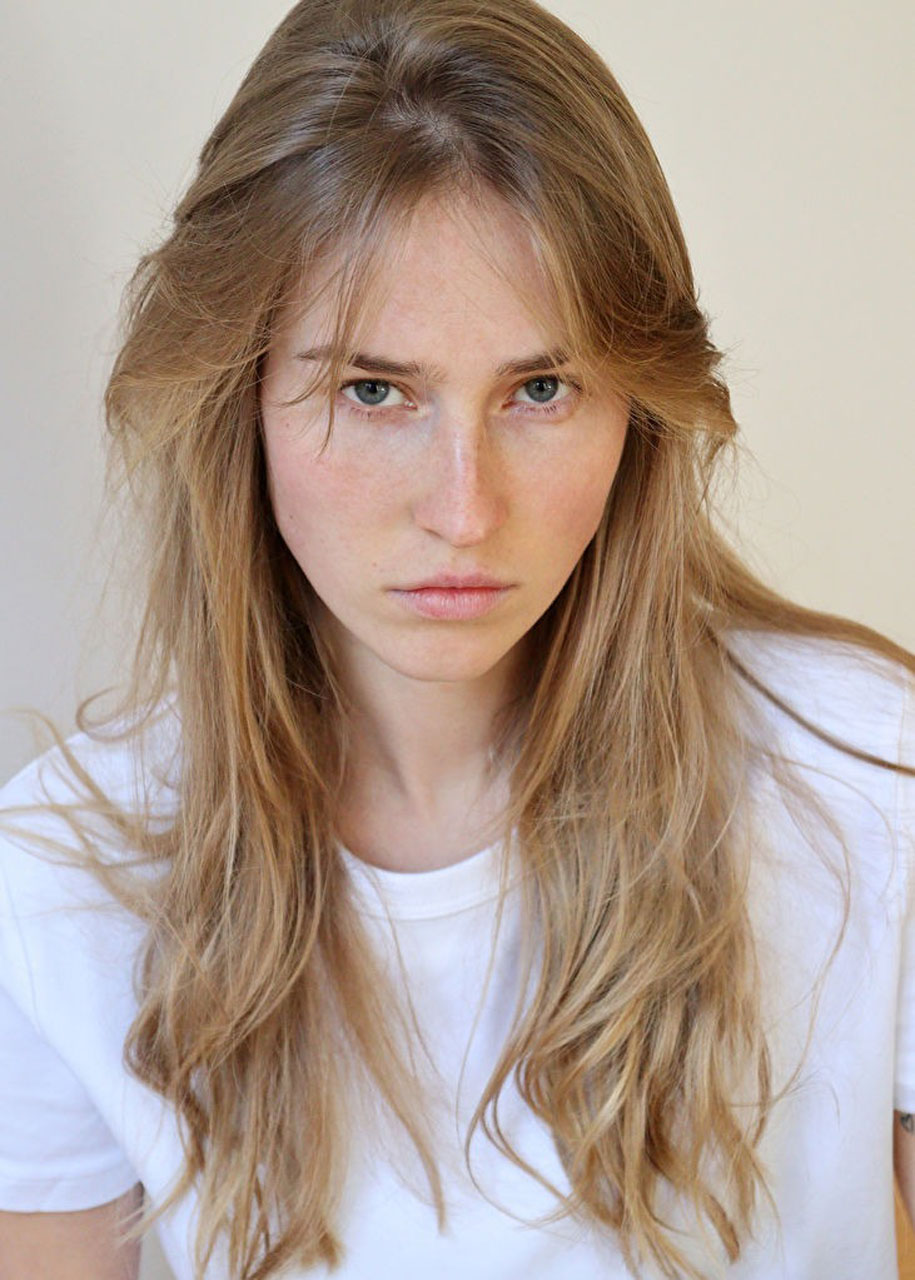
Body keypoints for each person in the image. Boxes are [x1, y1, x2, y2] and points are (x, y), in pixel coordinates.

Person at [0, 1, 913, 1277]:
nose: (465, 510)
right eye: (374, 389)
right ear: (239, 398)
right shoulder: (64, 884)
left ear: (639, 409)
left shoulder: (872, 780)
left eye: (541, 388)